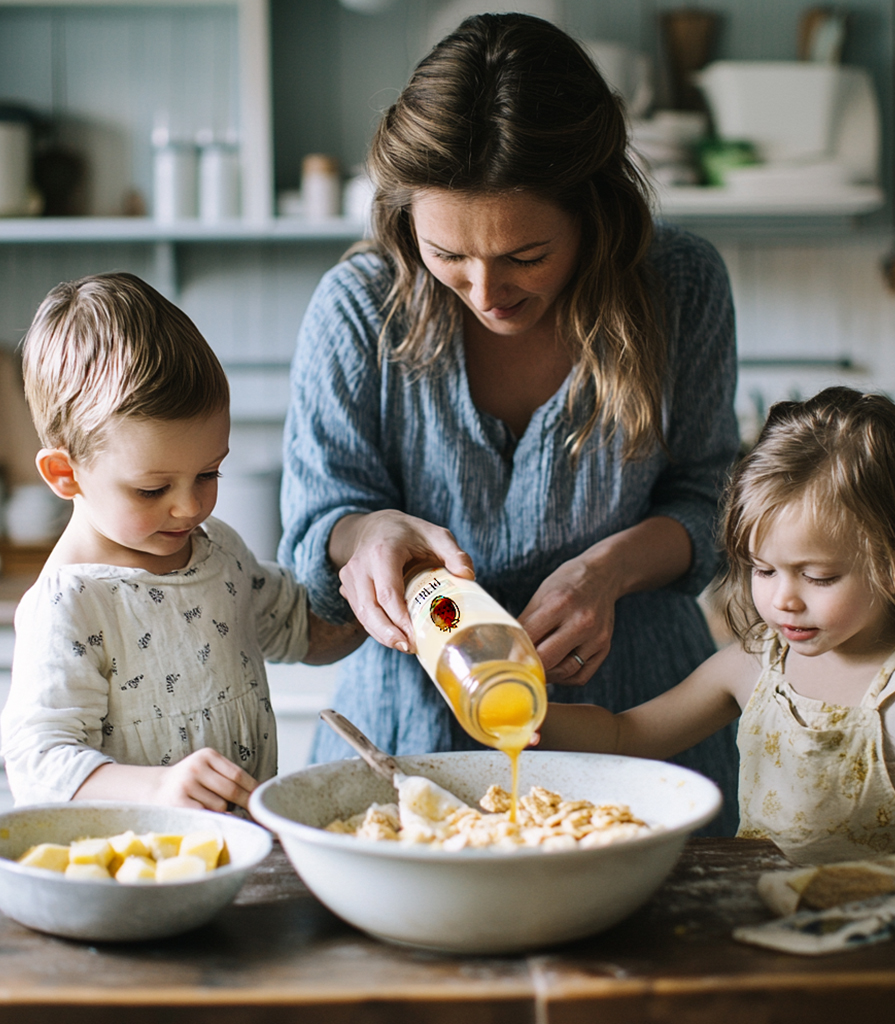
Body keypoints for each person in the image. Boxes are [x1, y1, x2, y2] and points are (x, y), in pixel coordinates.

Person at [279, 13, 740, 832]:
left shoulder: (682, 287)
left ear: (595, 216)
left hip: (645, 728)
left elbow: (709, 503)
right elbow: (318, 532)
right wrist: (364, 537)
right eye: (447, 254)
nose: (485, 292)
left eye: (525, 255)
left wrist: (607, 572)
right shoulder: (355, 309)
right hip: (411, 740)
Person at [0, 272, 363, 811]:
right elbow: (38, 764)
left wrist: (381, 593)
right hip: (140, 876)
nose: (190, 507)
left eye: (209, 473)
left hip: (245, 853)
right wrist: (158, 788)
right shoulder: (70, 604)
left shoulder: (219, 551)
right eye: (152, 489)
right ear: (64, 473)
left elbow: (302, 626)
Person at [538, 386, 895, 864]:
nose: (783, 599)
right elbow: (625, 735)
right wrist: (527, 714)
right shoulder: (754, 667)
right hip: (757, 918)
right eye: (762, 570)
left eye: (818, 576)